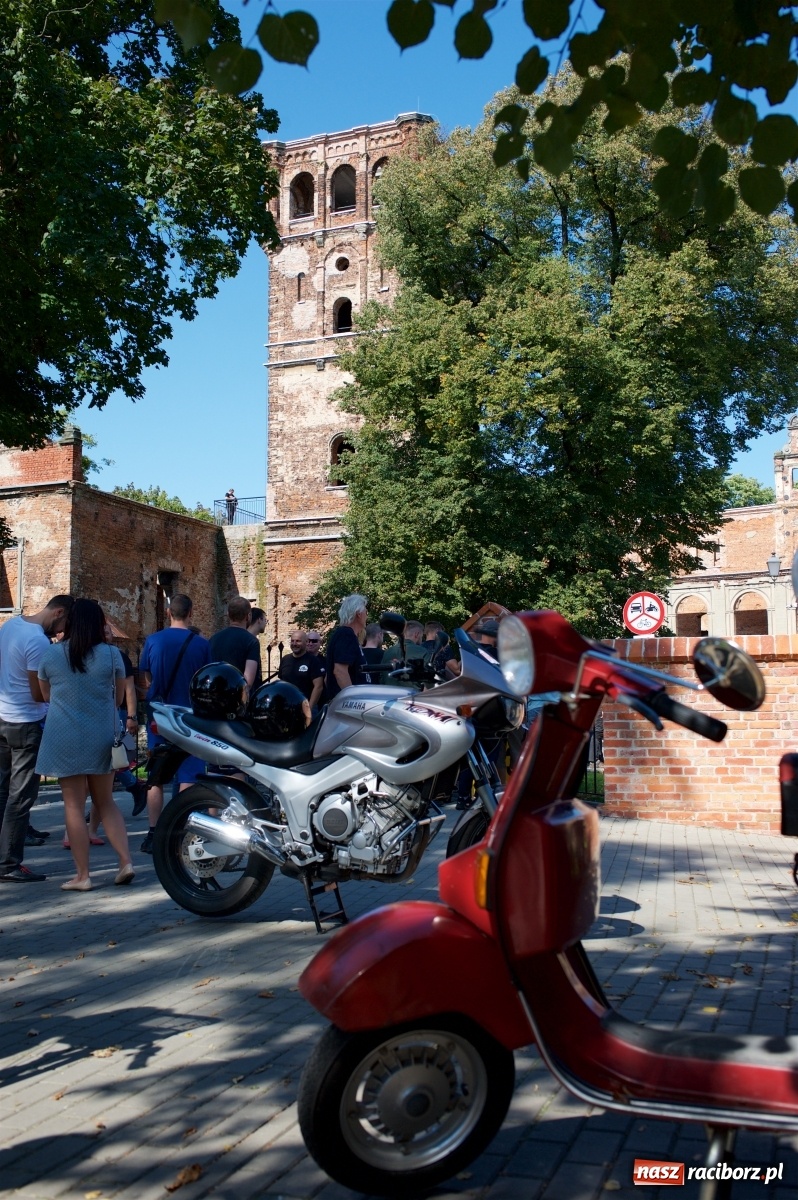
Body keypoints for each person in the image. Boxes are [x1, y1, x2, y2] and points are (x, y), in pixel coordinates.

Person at [36, 599, 135, 891]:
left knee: (73, 806)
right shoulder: (112, 655)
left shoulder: (51, 655)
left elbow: (45, 696)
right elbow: (117, 699)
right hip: (103, 736)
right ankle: (125, 861)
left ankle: (83, 876)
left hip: (64, 736)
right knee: (106, 802)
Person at [0, 594, 73, 882]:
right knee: (21, 796)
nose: (61, 632)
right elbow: (37, 693)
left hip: (3, 716)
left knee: (3, 791)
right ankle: (8, 864)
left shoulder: (10, 626)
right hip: (25, 723)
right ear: (58, 613)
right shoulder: (39, 642)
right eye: (65, 623)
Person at [139, 594, 210, 853]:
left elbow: (146, 675)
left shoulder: (153, 640)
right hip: (190, 715)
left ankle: (153, 832)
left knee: (156, 777)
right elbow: (206, 679)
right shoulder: (201, 644)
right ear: (190, 613)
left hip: (160, 714)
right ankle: (180, 829)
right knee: (189, 774)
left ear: (169, 612)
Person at [209, 597, 260, 689]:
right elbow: (247, 681)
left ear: (228, 614)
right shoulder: (252, 641)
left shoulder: (213, 639)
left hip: (216, 692)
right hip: (236, 695)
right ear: (248, 616)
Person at [326, 594, 370, 700]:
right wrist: (353, 699)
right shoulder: (346, 635)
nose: (367, 615)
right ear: (358, 614)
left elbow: (328, 678)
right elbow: (340, 671)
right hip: (348, 707)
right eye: (366, 612)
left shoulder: (346, 635)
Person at [278, 631, 325, 710]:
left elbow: (318, 686)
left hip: (306, 707)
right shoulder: (285, 659)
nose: (294, 644)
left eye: (298, 641)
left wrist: (309, 708)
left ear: (306, 642)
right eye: (292, 641)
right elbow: (281, 683)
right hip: (287, 707)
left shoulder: (313, 661)